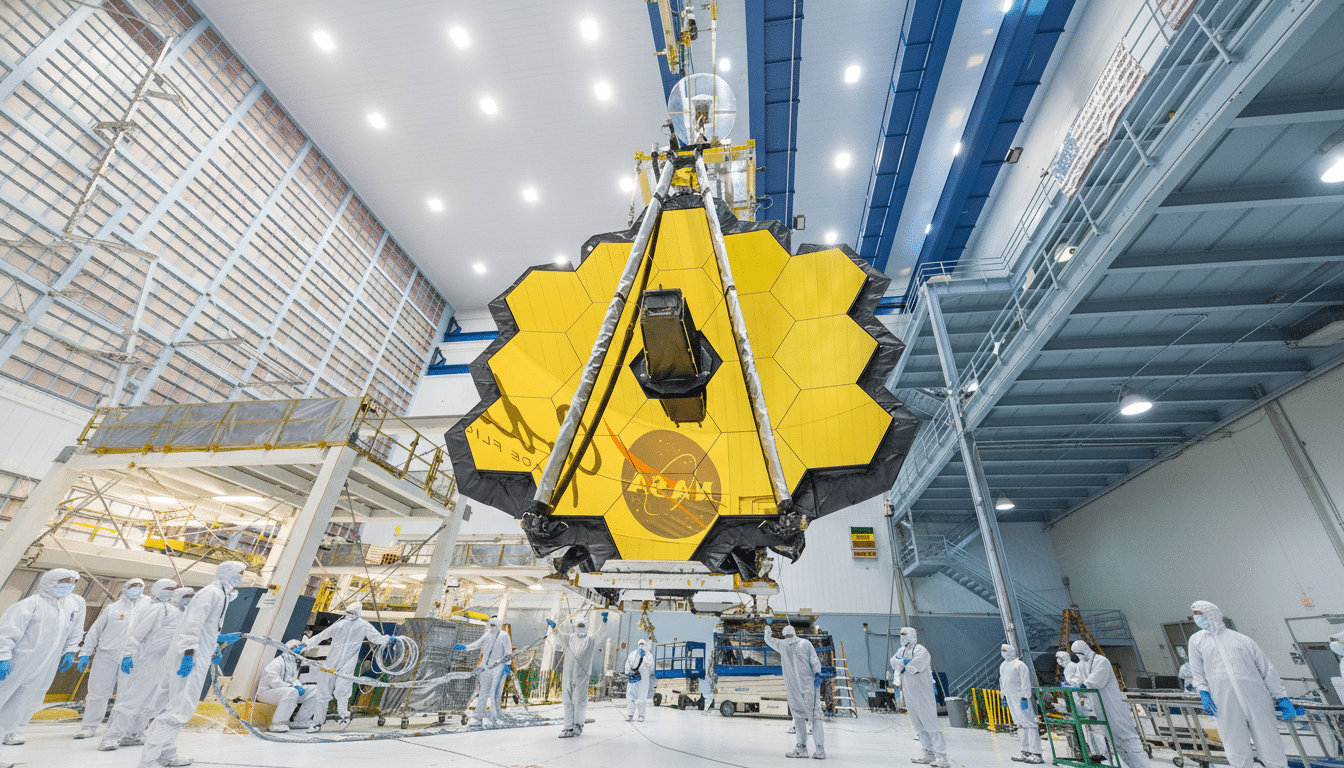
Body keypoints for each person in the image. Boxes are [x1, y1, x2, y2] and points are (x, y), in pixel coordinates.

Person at [139, 561, 245, 768]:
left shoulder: (220, 595)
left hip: (192, 654)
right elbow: (192, 624)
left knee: (170, 705)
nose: (241, 577)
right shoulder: (212, 593)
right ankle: (148, 760)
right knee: (179, 708)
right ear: (228, 573)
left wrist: (215, 643)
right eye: (239, 573)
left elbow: (205, 626)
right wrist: (189, 652)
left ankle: (166, 755)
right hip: (189, 658)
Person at [1187, 601, 1295, 768]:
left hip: (1256, 697)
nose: (1196, 618)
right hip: (1223, 700)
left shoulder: (1241, 639)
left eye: (1199, 613)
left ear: (1212, 614)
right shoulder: (1196, 641)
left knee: (1270, 742)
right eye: (1194, 614)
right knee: (1235, 745)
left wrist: (1281, 697)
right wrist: (1203, 692)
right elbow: (1197, 671)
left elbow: (1266, 670)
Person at [0, 568, 85, 746]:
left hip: (46, 663)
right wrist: (3, 656)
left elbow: (72, 632)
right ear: (50, 582)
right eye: (63, 582)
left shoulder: (69, 606)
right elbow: (6, 633)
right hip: (19, 661)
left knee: (24, 700)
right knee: (3, 694)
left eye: (71, 582)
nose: (68, 585)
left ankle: (7, 734)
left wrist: (70, 650)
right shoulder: (31, 604)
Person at [98, 578, 177, 751]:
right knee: (131, 701)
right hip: (145, 662)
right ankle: (111, 738)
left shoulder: (173, 611)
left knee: (150, 703)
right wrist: (127, 655)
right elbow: (136, 635)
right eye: (167, 588)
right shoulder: (154, 609)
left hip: (163, 665)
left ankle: (133, 734)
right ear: (156, 590)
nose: (170, 592)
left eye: (173, 589)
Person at [76, 577, 147, 738]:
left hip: (134, 657)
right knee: (97, 692)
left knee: (127, 695)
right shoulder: (113, 608)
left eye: (139, 586)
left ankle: (117, 728)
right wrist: (85, 653)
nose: (135, 589)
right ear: (125, 588)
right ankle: (88, 727)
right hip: (106, 655)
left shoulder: (149, 606)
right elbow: (95, 631)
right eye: (132, 586)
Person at [305, 601, 389, 730]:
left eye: (352, 613)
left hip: (348, 662)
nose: (349, 615)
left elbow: (377, 638)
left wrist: (388, 639)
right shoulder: (339, 624)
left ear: (358, 613)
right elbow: (321, 636)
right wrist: (306, 644)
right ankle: (317, 722)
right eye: (348, 612)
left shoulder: (363, 625)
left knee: (342, 690)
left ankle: (344, 716)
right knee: (323, 690)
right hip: (331, 661)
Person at [1072, 639, 1153, 768]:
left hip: (1112, 706)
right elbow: (1077, 678)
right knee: (1113, 741)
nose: (1079, 656)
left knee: (1127, 739)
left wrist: (1083, 685)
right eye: (1076, 654)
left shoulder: (1101, 661)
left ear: (1086, 649)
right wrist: (1073, 683)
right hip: (1098, 707)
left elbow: (1095, 681)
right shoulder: (1082, 664)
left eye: (1080, 653)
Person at [763, 618, 825, 760]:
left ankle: (804, 748)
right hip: (809, 686)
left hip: (798, 688)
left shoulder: (783, 645)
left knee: (802, 717)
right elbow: (815, 660)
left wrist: (767, 627)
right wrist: (817, 673)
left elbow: (768, 639)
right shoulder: (805, 643)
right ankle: (816, 749)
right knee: (812, 716)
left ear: (785, 635)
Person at [891, 627, 947, 767]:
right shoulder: (901, 650)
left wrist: (902, 663)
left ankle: (941, 757)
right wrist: (899, 670)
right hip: (909, 692)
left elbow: (912, 667)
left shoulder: (921, 650)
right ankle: (928, 754)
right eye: (901, 635)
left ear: (911, 636)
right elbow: (894, 664)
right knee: (917, 724)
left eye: (905, 635)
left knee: (930, 722)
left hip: (922, 692)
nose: (902, 638)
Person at [547, 612, 606, 737]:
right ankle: (568, 727)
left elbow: (600, 634)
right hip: (568, 675)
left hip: (582, 676)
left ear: (585, 626)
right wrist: (555, 628)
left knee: (579, 701)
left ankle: (578, 725)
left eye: (582, 625)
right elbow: (559, 636)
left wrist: (604, 622)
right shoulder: (569, 638)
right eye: (578, 625)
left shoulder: (590, 640)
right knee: (567, 701)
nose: (580, 627)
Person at [455, 616, 512, 728]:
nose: (491, 627)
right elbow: (477, 644)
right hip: (485, 667)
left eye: (493, 625)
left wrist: (507, 666)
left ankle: (494, 716)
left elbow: (508, 652)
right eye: (490, 625)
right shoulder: (487, 635)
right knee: (483, 692)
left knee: (495, 693)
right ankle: (478, 716)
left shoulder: (504, 636)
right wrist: (465, 647)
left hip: (498, 667)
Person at [257, 640, 320, 733]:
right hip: (266, 693)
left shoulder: (292, 664)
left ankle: (300, 721)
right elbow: (275, 683)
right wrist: (292, 687)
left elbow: (293, 680)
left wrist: (298, 686)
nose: (299, 652)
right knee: (292, 691)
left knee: (316, 690)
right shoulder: (276, 663)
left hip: (286, 692)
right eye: (296, 649)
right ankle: (277, 723)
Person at [1060, 649, 1109, 762]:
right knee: (1087, 729)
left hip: (1088, 702)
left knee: (1094, 728)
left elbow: (1081, 682)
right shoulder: (1074, 667)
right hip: (1082, 703)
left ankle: (1101, 753)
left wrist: (1075, 684)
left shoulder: (1077, 667)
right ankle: (1093, 753)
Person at [999, 644, 1042, 764]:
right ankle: (1025, 751)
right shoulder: (1003, 665)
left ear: (1012, 651)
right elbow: (1002, 681)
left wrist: (1025, 696)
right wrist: (1003, 696)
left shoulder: (1020, 665)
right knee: (1021, 725)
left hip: (1021, 699)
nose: (1004, 653)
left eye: (1006, 651)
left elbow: (1025, 682)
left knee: (1030, 724)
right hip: (1011, 699)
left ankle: (1036, 753)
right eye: (1002, 651)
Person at [623, 638, 655, 724]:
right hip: (634, 679)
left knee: (641, 698)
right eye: (641, 644)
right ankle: (630, 714)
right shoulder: (633, 654)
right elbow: (627, 665)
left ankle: (641, 715)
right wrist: (629, 672)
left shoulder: (648, 656)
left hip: (642, 680)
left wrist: (644, 660)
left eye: (643, 644)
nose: (641, 646)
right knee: (631, 697)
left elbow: (651, 667)